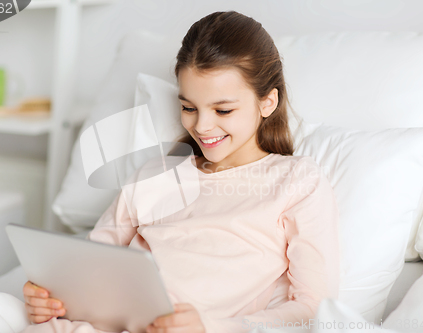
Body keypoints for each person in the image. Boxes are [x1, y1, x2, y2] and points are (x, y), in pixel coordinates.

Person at [21, 10, 340, 333]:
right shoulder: (158, 172)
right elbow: (90, 261)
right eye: (188, 108)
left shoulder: (296, 181)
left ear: (267, 103)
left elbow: (313, 308)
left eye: (223, 109)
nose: (201, 126)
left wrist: (210, 327)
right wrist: (49, 295)